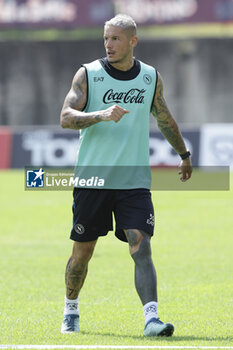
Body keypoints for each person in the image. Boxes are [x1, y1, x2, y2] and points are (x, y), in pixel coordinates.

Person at [60, 14, 192, 337]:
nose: (109, 45)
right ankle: (70, 309)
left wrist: (184, 154)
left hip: (133, 181)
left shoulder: (149, 78)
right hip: (93, 180)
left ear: (133, 41)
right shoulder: (88, 74)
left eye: (116, 39)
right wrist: (101, 114)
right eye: (106, 38)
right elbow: (66, 117)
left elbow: (164, 118)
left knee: (140, 245)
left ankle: (151, 320)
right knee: (83, 251)